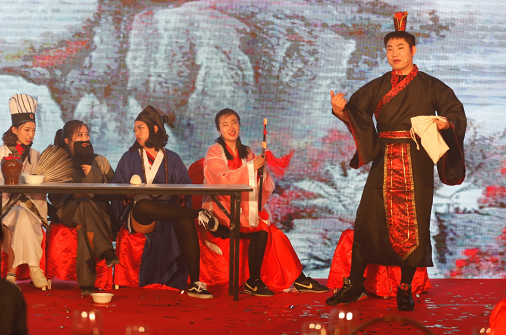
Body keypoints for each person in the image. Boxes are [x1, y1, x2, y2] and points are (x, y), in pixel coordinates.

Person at [326, 13, 466, 311]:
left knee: (414, 224)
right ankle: (354, 283)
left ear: (413, 50)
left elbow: (454, 110)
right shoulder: (378, 85)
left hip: (417, 160)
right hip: (384, 159)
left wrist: (444, 122)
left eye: (400, 48)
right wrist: (340, 111)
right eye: (389, 49)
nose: (394, 54)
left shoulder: (431, 85)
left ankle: (405, 287)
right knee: (367, 220)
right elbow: (357, 111)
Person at [202, 108, 329, 296]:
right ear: (219, 130)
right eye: (225, 124)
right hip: (222, 211)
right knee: (264, 230)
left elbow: (265, 185)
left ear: (240, 125)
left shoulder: (248, 153)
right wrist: (250, 168)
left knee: (276, 234)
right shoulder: (214, 151)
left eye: (234, 122)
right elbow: (219, 179)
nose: (231, 127)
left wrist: (260, 172)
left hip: (243, 211)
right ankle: (263, 281)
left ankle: (297, 278)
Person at [112, 105, 217, 298]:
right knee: (143, 205)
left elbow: (185, 188)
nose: (136, 133)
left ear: (155, 128)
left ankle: (196, 283)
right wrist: (127, 194)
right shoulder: (128, 158)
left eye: (140, 128)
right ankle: (197, 214)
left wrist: (180, 196)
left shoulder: (173, 158)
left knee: (184, 220)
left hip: (170, 212)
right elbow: (117, 189)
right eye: (135, 129)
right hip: (142, 215)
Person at [0, 94, 49, 290]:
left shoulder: (35, 155)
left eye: (33, 130)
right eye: (27, 130)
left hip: (29, 208)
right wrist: (10, 181)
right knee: (20, 214)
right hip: (5, 208)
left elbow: (42, 183)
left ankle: (11, 274)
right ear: (14, 129)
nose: (31, 135)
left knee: (23, 216)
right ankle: (35, 268)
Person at [49, 120, 119, 297]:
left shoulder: (100, 161)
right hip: (68, 211)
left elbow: (115, 191)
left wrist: (95, 175)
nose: (85, 139)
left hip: (95, 212)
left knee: (84, 224)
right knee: (82, 204)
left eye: (87, 134)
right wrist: (73, 195)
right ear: (67, 141)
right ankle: (106, 250)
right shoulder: (60, 164)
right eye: (79, 135)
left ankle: (87, 285)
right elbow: (53, 197)